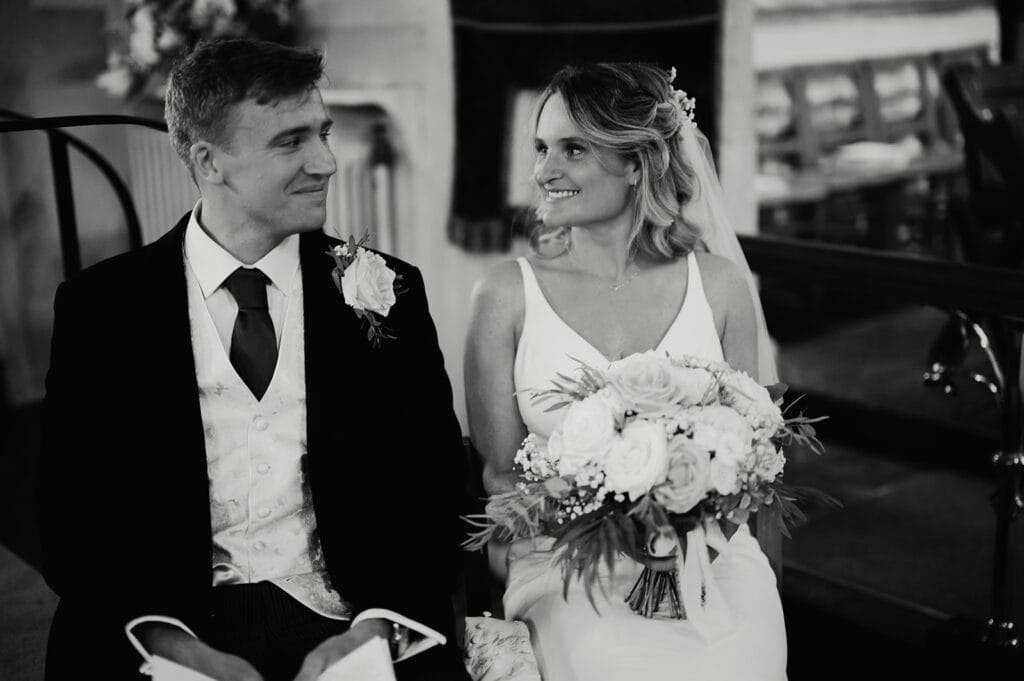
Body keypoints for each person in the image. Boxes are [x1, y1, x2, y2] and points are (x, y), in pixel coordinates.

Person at [38, 39, 469, 681]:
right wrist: (170, 643)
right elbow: (69, 521)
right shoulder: (100, 307)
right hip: (165, 622)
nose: (326, 161)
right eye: (290, 141)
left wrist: (376, 628)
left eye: (322, 132)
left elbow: (437, 490)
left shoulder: (389, 292)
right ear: (209, 162)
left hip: (349, 612)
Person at [464, 62, 786, 680]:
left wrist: (692, 533)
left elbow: (756, 457)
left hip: (708, 553)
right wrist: (604, 521)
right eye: (541, 148)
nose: (542, 172)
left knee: (742, 657)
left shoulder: (718, 285)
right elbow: (501, 477)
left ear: (637, 162)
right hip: (564, 560)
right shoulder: (505, 295)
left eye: (573, 149)